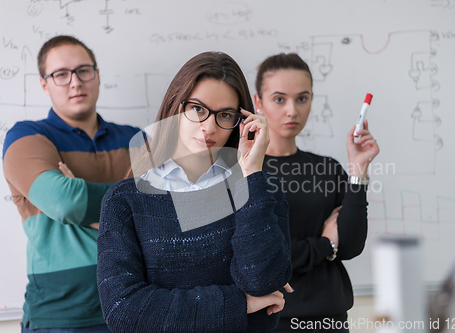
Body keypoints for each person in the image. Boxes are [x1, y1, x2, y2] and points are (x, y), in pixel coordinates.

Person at [96, 51, 293, 333]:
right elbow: (124, 312)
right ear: (176, 106)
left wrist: (251, 173)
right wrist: (239, 304)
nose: (209, 127)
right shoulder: (124, 200)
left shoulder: (261, 188)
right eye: (198, 109)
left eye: (225, 115)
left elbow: (262, 282)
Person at [2, 35, 141, 332]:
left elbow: (166, 211)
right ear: (44, 84)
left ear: (98, 76)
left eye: (83, 71)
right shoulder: (25, 137)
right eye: (61, 74)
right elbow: (66, 202)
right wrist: (132, 200)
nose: (75, 82)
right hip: (61, 316)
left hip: (137, 306)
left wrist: (85, 204)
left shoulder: (136, 139)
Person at [254, 53, 380, 332]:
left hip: (328, 318)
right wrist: (325, 246)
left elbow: (350, 246)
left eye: (302, 98)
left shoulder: (327, 168)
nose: (292, 110)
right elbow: (264, 256)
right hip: (268, 321)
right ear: (258, 103)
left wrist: (358, 171)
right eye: (279, 99)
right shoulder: (247, 172)